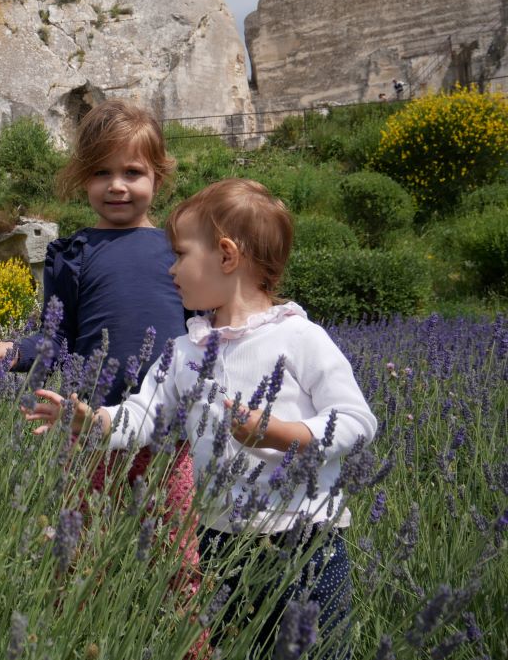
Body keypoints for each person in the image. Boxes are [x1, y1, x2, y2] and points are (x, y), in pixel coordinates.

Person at [25, 178, 377, 657]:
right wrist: (96, 421)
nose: (171, 269)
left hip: (304, 539)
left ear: (227, 256)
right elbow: (147, 413)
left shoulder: (300, 338)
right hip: (218, 540)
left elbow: (356, 421)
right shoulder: (184, 351)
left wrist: (278, 433)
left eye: (181, 255)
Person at [0, 100, 197, 595]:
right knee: (81, 561)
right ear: (83, 179)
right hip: (90, 427)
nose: (117, 185)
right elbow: (55, 339)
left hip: (170, 436)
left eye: (133, 172)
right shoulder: (73, 253)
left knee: (177, 564)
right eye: (101, 172)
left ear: (159, 178)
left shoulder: (180, 250)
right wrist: (13, 352)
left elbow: (205, 334)